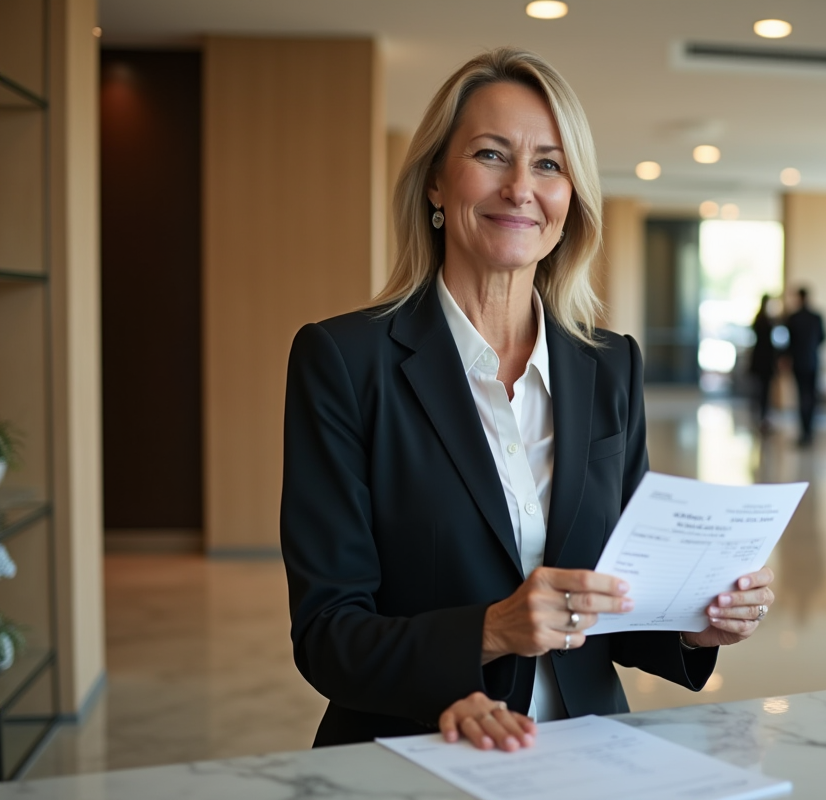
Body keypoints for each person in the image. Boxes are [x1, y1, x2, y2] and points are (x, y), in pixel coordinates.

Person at [280, 48, 776, 754]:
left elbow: (618, 594)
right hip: (417, 751)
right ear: (434, 184)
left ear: (571, 199)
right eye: (491, 154)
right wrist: (490, 631)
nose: (521, 188)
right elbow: (328, 633)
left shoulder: (609, 364)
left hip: (590, 754)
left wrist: (695, 622)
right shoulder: (344, 361)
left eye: (549, 164)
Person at [785, 287, 826, 445]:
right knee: (812, 396)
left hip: (798, 362)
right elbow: (823, 338)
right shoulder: (816, 317)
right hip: (813, 361)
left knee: (802, 395)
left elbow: (788, 343)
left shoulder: (793, 318)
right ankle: (810, 430)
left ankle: (804, 432)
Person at [749, 295, 778, 430]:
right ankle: (763, 415)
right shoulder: (768, 321)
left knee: (759, 388)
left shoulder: (758, 319)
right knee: (764, 390)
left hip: (759, 360)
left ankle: (760, 414)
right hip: (766, 360)